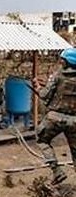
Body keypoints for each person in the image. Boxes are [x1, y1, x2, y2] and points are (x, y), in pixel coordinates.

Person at [34, 47, 76, 185]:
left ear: (66, 62)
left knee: (42, 140)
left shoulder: (57, 76)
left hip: (55, 118)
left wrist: (38, 88)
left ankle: (57, 171)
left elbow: (45, 95)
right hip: (74, 121)